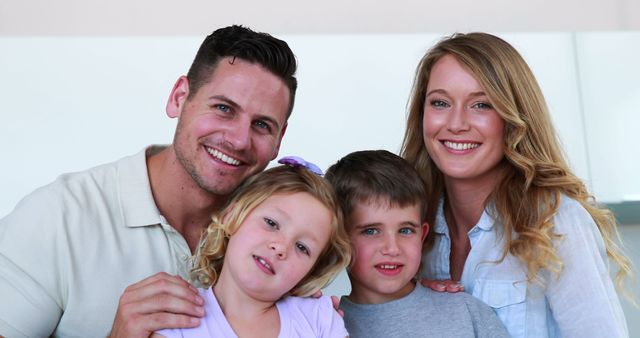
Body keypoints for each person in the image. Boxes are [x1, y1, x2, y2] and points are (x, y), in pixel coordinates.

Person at [0, 25, 297, 338]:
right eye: (224, 108)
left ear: (279, 140)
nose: (238, 140)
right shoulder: (57, 217)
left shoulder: (290, 238)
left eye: (262, 125)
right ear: (179, 98)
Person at [400, 32, 632, 338]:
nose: (456, 123)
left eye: (481, 105)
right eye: (440, 102)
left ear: (514, 118)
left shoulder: (555, 221)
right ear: (422, 115)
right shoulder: (407, 227)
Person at [154, 159, 351, 338]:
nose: (281, 247)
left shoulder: (319, 318)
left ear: (310, 272)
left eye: (302, 247)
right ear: (231, 216)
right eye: (271, 223)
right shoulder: (177, 319)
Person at [325, 150, 509, 338]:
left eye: (405, 230)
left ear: (422, 236)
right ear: (338, 240)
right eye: (371, 231)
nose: (392, 248)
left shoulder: (466, 312)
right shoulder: (325, 327)